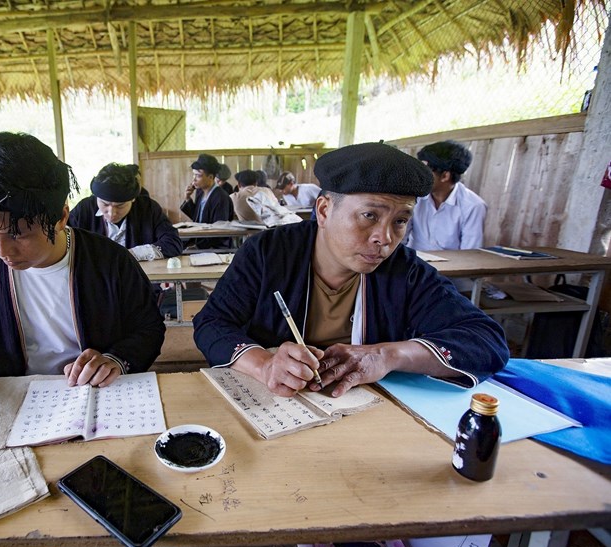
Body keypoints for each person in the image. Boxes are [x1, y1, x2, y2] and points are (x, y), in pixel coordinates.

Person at [193, 143, 509, 399]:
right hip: (274, 402)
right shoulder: (269, 252)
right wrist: (264, 365)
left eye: (400, 221)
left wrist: (387, 356)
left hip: (367, 409)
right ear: (324, 210)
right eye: (369, 215)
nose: (385, 239)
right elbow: (212, 322)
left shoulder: (404, 271)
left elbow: (486, 341)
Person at [0, 132, 165, 411]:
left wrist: (114, 360)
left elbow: (148, 327)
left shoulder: (110, 260)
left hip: (94, 394)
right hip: (14, 399)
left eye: (18, 234)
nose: (1, 249)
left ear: (61, 217)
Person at [68, 162, 182, 260]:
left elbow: (173, 243)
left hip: (139, 275)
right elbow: (64, 241)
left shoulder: (148, 209)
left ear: (133, 199)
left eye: (120, 206)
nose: (112, 213)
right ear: (96, 197)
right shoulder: (84, 209)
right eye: (105, 204)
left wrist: (130, 255)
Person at [406, 140, 486, 251]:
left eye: (424, 171)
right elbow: (399, 239)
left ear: (445, 176)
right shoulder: (413, 197)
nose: (418, 176)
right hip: (413, 259)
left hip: (451, 262)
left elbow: (469, 253)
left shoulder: (473, 206)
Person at [180, 153, 235, 250]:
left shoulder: (221, 198)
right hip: (201, 241)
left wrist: (198, 247)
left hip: (217, 248)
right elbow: (197, 219)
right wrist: (188, 198)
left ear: (210, 177)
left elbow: (219, 231)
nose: (194, 179)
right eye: (193, 175)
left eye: (198, 175)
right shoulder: (200, 192)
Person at [231, 169, 300, 227]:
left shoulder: (234, 197)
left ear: (239, 185)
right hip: (271, 230)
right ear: (256, 183)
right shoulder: (267, 191)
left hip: (249, 233)